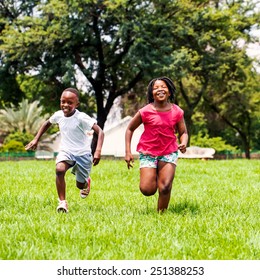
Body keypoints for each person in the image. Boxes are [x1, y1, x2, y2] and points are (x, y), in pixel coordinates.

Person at [25, 88, 104, 213]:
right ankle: (62, 202)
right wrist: (36, 139)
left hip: (83, 154)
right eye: (63, 102)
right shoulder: (58, 115)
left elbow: (100, 132)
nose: (65, 105)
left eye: (69, 102)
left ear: (76, 104)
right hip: (66, 151)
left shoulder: (81, 117)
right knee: (59, 169)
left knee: (80, 185)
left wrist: (98, 150)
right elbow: (47, 123)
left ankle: (86, 182)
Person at [125, 77, 188, 212]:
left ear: (169, 92)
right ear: (151, 93)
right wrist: (128, 152)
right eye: (156, 88)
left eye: (163, 87)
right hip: (148, 152)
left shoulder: (177, 111)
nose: (160, 89)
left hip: (169, 152)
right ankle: (156, 174)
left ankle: (161, 216)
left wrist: (183, 142)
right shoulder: (145, 111)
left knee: (165, 187)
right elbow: (129, 129)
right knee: (147, 190)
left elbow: (183, 132)